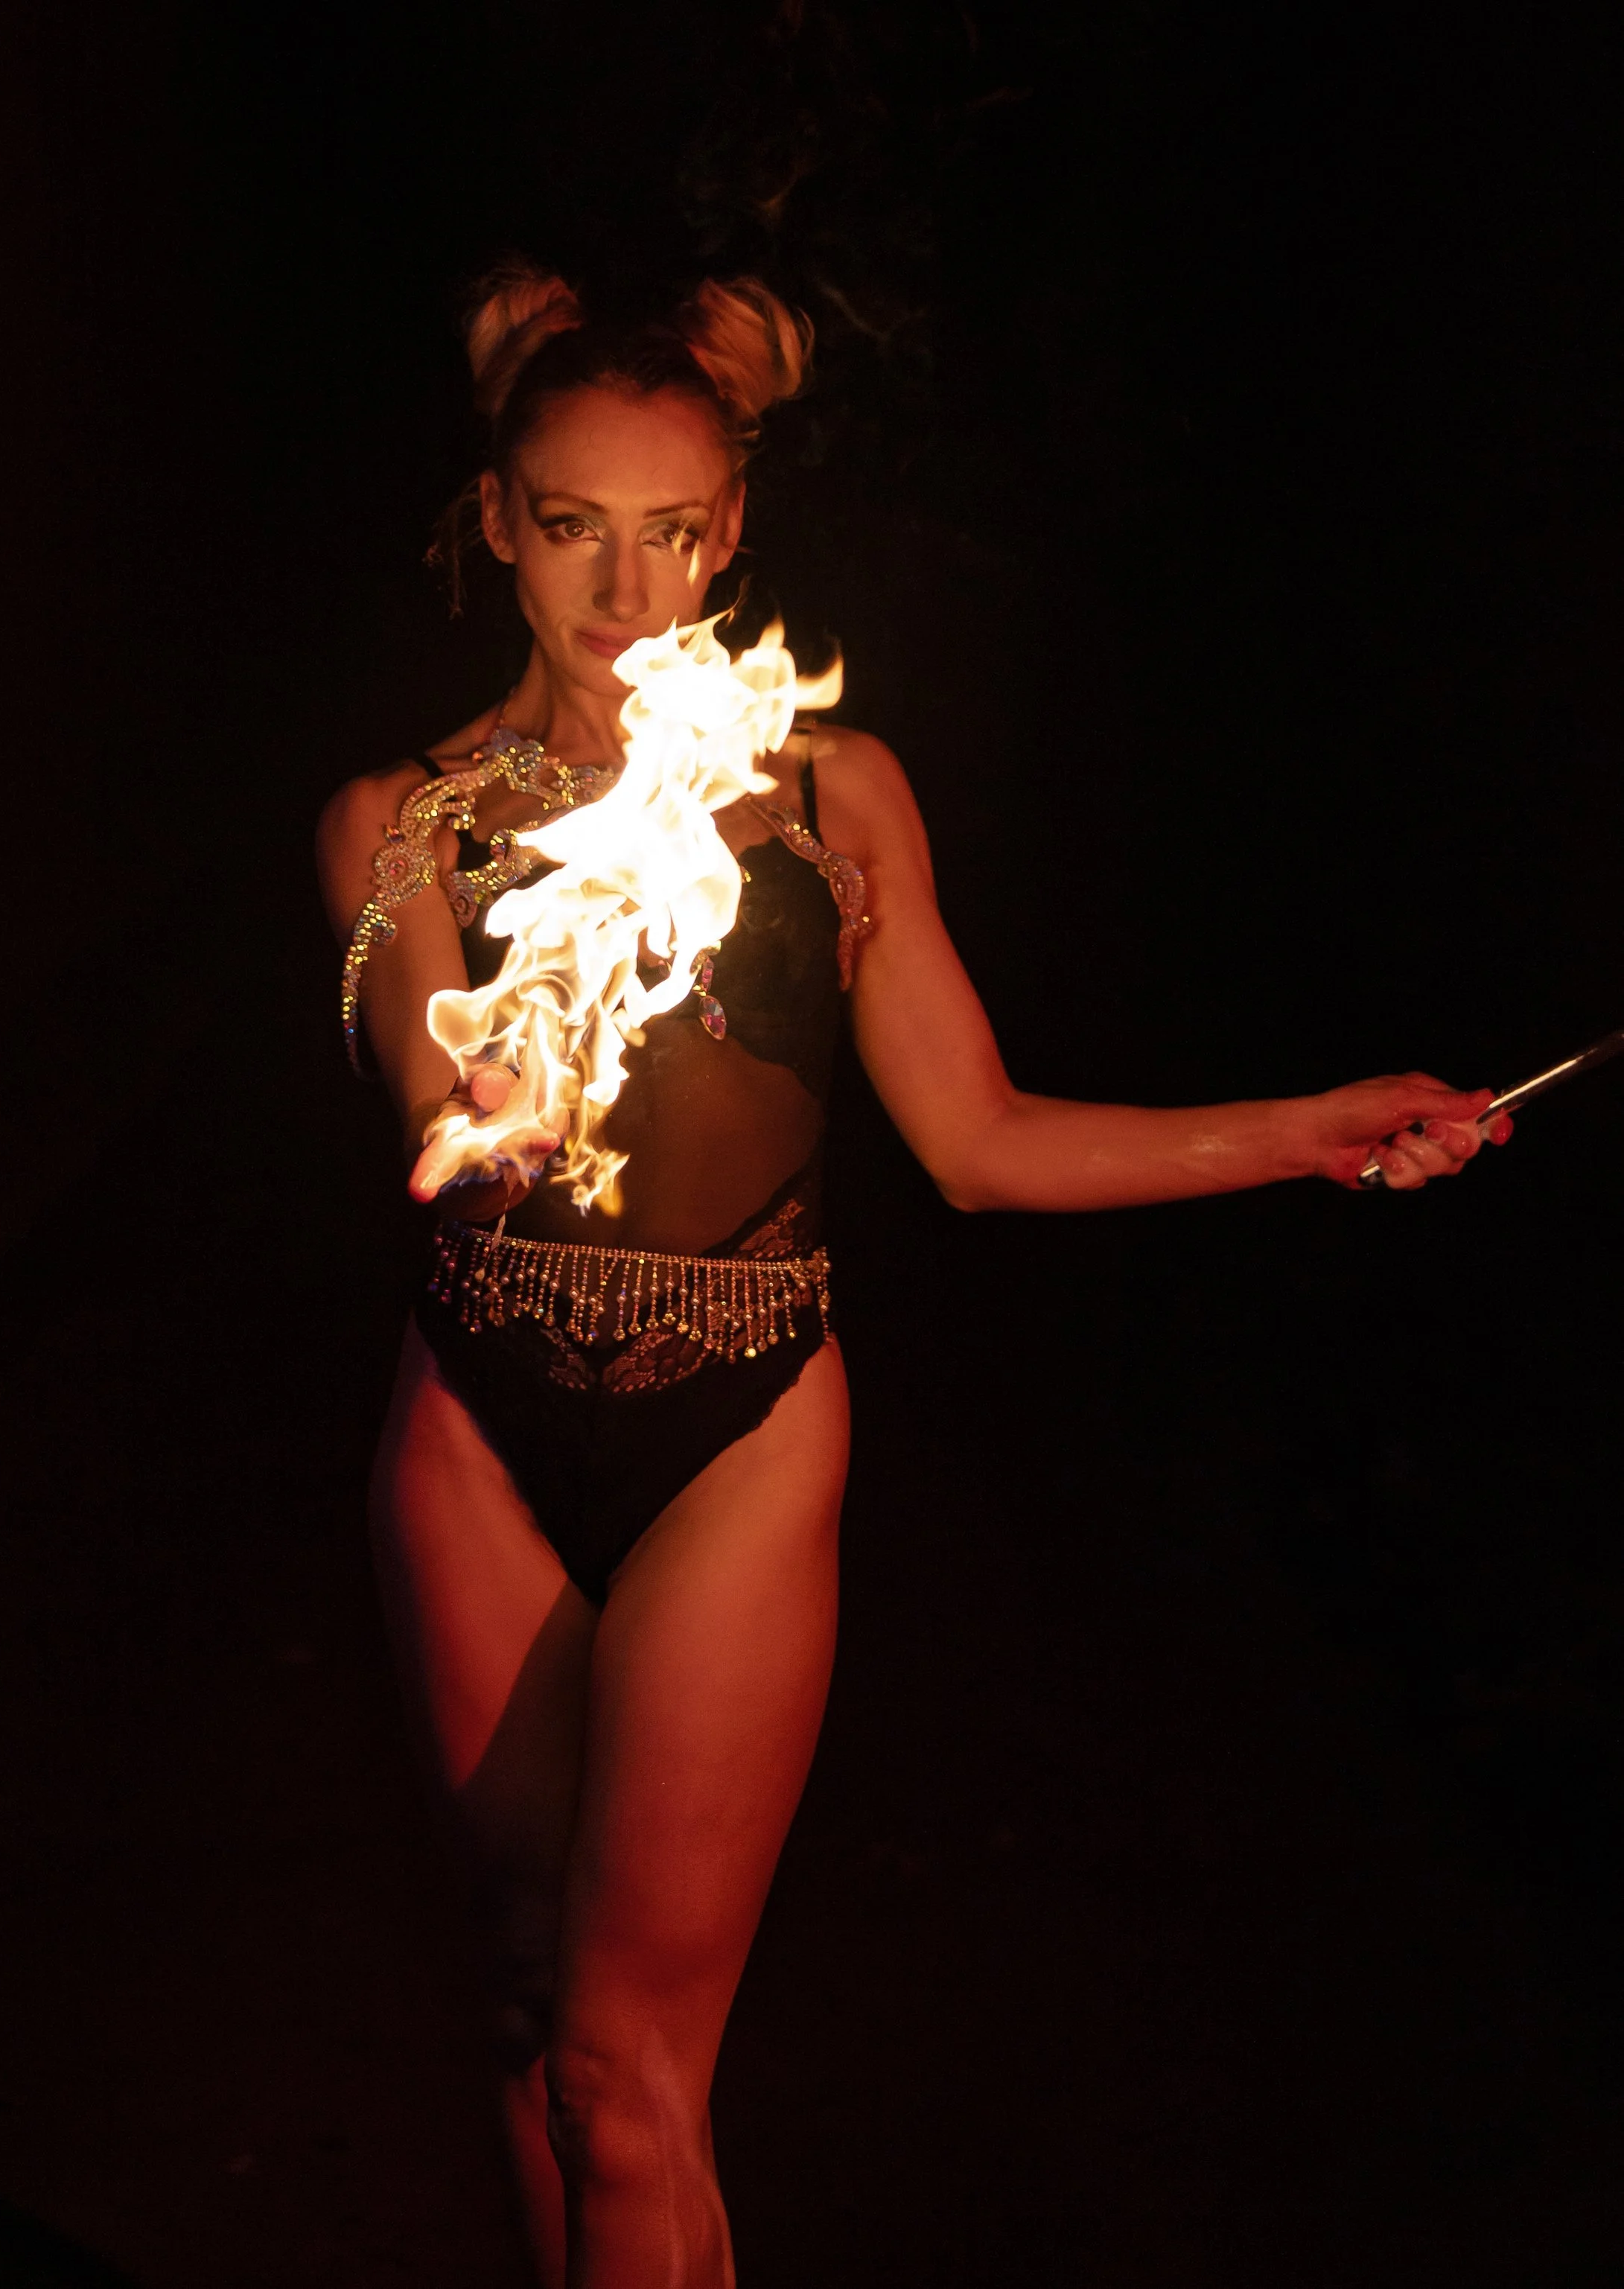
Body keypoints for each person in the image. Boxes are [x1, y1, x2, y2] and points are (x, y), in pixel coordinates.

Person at [316, 262, 1509, 2289]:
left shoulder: (835, 793)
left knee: (626, 2071)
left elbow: (976, 1144)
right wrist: (516, 1081)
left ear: (736, 533)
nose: (626, 590)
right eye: (577, 526)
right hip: (478, 1425)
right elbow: (467, 1156)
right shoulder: (391, 828)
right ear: (497, 523)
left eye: (675, 531)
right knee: (534, 2024)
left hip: (744, 1427)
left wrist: (1309, 1126)